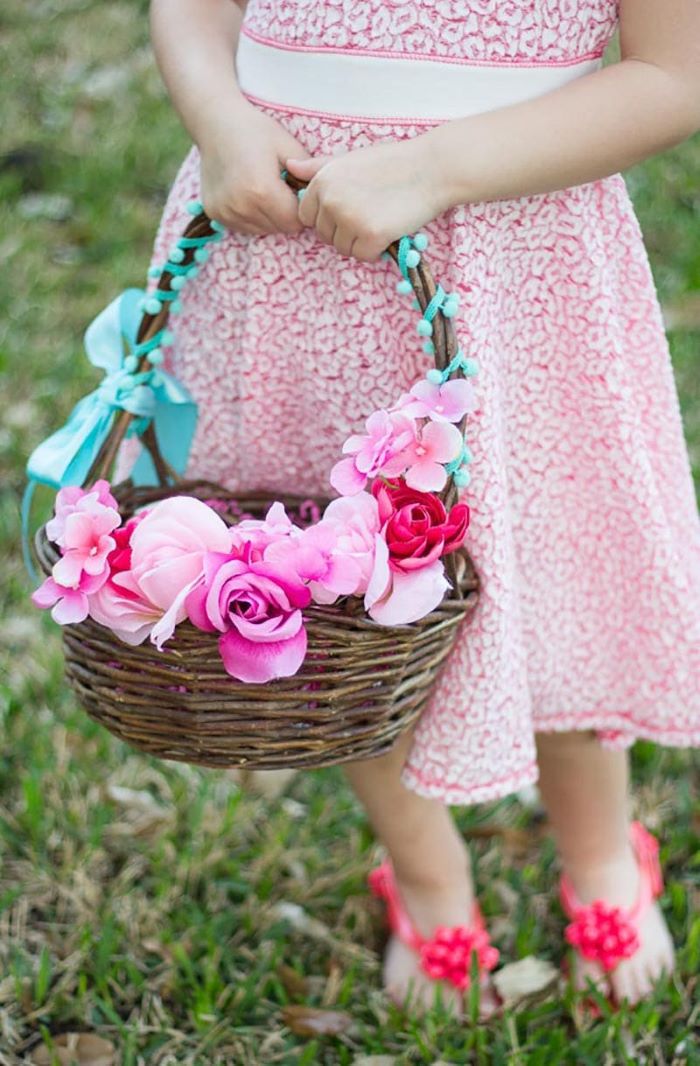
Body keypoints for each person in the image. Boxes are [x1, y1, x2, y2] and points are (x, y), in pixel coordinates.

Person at [123, 0, 700, 1013]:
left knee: (550, 569)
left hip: (514, 254)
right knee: (331, 592)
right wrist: (219, 117)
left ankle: (604, 859)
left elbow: (673, 75)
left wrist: (432, 169)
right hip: (287, 244)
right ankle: (428, 880)